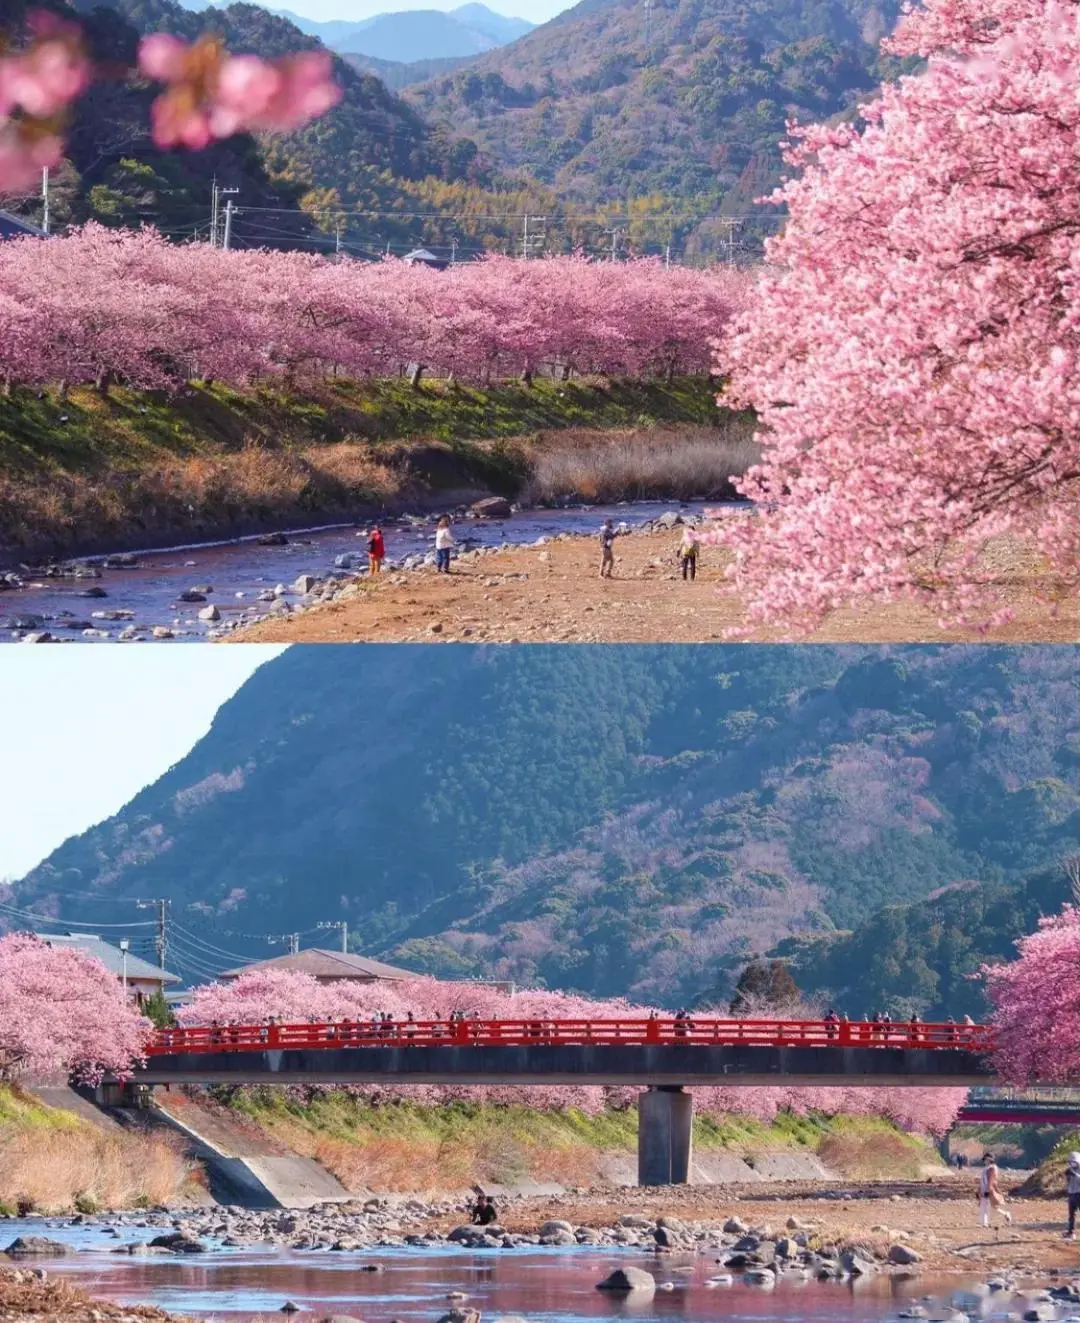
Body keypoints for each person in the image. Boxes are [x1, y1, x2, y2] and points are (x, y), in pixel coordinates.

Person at [978, 1153, 1012, 1228]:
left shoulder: (992, 1168)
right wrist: (979, 1189)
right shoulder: (986, 1168)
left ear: (989, 1160)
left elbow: (991, 1180)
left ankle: (985, 1223)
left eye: (986, 1159)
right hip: (984, 1188)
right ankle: (1005, 1214)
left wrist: (988, 1190)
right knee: (987, 1206)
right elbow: (982, 1180)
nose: (985, 1161)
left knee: (988, 1206)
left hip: (989, 1189)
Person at [1065, 1152, 1080, 1239]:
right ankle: (1071, 1233)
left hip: (1079, 1193)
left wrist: (1076, 1175)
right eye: (1070, 1162)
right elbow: (1068, 1183)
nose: (1072, 1163)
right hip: (1072, 1193)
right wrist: (1067, 1176)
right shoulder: (1070, 1170)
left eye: (1074, 1161)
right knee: (1071, 1215)